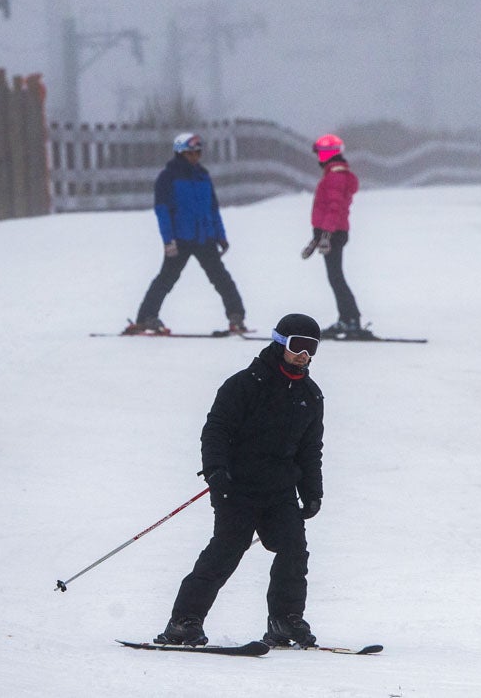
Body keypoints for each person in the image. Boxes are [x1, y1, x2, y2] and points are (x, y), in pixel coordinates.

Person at [155, 313, 325, 649]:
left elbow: (310, 449)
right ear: (279, 344)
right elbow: (216, 429)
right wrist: (216, 470)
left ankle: (284, 621)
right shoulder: (246, 384)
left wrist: (312, 492)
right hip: (237, 487)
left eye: (311, 349)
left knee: (293, 551)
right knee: (226, 551)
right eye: (297, 346)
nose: (304, 355)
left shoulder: (310, 395)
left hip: (280, 491)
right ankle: (183, 622)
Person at [126, 132, 247, 335]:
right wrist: (168, 240)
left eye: (198, 153)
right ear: (181, 153)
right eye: (191, 153)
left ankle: (236, 316)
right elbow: (162, 211)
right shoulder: (168, 178)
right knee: (166, 279)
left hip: (204, 237)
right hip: (180, 239)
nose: (195, 157)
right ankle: (147, 317)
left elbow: (212, 208)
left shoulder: (203, 175)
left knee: (221, 277)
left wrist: (221, 235)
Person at [301, 133, 366, 338]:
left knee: (336, 277)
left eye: (320, 153)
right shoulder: (334, 174)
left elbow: (334, 208)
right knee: (335, 277)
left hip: (334, 233)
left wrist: (326, 234)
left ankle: (351, 319)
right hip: (333, 232)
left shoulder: (335, 177)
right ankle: (346, 319)